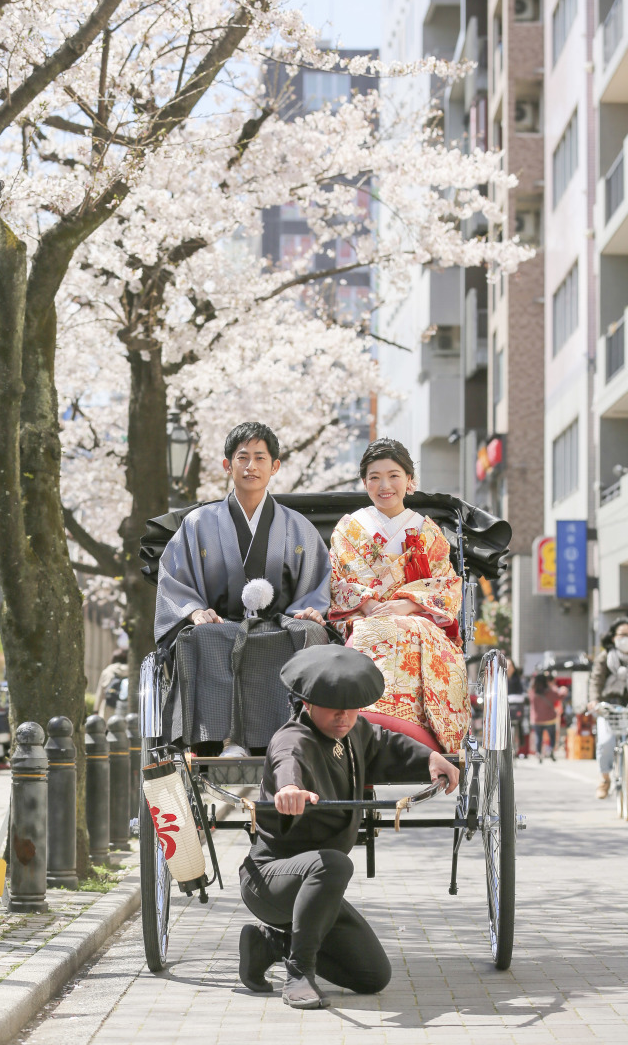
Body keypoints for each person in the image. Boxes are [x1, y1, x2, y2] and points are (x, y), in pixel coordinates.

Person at [238, 643, 459, 1009]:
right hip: (271, 879)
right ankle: (299, 974)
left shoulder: (355, 731)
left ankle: (270, 944)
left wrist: (431, 758)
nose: (343, 715)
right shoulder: (293, 739)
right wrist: (289, 790)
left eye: (351, 706)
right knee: (335, 864)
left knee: (373, 976)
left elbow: (387, 743)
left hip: (318, 888)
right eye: (332, 706)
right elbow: (286, 762)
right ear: (308, 703)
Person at [155, 422, 331, 756]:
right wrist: (195, 611)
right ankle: (224, 739)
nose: (251, 466)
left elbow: (316, 585)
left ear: (274, 466)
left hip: (281, 623)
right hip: (221, 623)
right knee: (201, 636)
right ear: (228, 465)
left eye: (260, 458)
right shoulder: (198, 523)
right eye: (242, 457)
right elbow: (175, 582)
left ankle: (292, 737)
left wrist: (310, 610)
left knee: (310, 633)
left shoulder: (298, 526)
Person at [328, 438, 470, 752]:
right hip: (364, 616)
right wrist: (370, 605)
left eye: (393, 475)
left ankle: (416, 727)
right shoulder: (348, 528)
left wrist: (407, 605)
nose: (385, 485)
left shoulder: (427, 530)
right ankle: (367, 719)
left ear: (409, 480)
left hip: (416, 617)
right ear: (364, 482)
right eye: (375, 477)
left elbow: (445, 584)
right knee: (371, 632)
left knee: (412, 630)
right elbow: (340, 581)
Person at [587, 617, 628, 797]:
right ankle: (605, 779)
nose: (626, 638)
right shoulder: (605, 657)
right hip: (608, 707)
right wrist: (594, 701)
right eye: (623, 634)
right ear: (613, 637)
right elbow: (596, 680)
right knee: (605, 742)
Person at [528, 672, 563, 762]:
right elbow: (559, 696)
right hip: (549, 719)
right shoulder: (550, 691)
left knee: (538, 737)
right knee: (552, 736)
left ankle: (539, 753)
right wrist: (564, 690)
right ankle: (551, 750)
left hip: (537, 720)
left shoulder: (532, 692)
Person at [94, 646, 129, 719]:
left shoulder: (108, 670)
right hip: (126, 708)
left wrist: (96, 710)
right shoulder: (132, 671)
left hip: (108, 707)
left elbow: (100, 693)